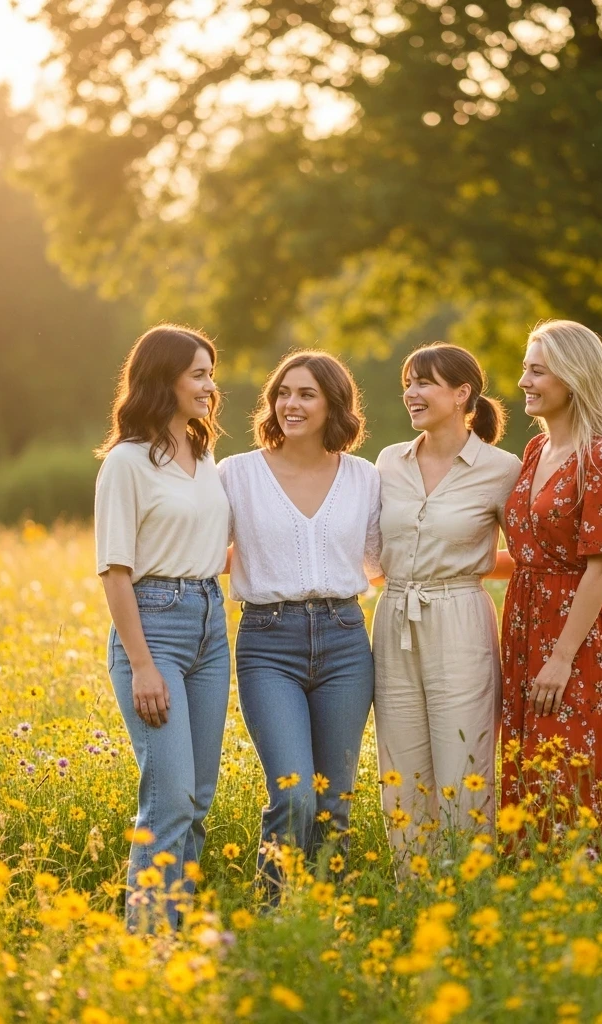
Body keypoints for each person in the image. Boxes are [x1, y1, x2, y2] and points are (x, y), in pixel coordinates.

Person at [218, 351, 380, 897]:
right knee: (294, 795)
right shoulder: (236, 473)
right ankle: (274, 913)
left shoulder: (363, 477)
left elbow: (388, 561)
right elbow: (201, 549)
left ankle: (327, 917)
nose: (291, 403)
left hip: (345, 641)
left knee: (335, 799)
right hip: (268, 642)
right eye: (283, 392)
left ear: (334, 402)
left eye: (306, 394)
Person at [94, 324, 231, 930]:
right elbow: (115, 572)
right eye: (197, 374)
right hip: (154, 630)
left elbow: (210, 546)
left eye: (210, 373)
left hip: (210, 624)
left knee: (197, 800)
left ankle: (177, 927)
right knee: (169, 797)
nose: (209, 385)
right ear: (163, 379)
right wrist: (144, 664)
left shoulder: (205, 461)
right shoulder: (126, 463)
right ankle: (148, 943)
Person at [499, 319, 602, 853]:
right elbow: (530, 552)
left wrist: (561, 656)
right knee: (529, 752)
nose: (524, 382)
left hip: (572, 631)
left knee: (573, 754)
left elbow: (601, 567)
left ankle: (597, 876)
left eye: (537, 371)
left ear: (572, 377)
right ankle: (534, 874)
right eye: (525, 369)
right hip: (524, 617)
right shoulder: (536, 452)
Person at [373, 343, 522, 858]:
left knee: (465, 762)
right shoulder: (389, 461)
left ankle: (470, 896)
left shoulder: (502, 469)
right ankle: (414, 894)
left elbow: (529, 553)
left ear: (462, 394)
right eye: (408, 383)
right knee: (401, 768)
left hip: (460, 619)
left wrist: (592, 575)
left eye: (424, 383)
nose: (411, 394)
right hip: (393, 617)